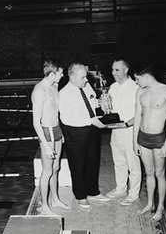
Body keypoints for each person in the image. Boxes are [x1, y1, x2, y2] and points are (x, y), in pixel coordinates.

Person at [58, 63, 110, 209]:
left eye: (85, 77)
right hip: (75, 132)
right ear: (72, 77)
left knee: (93, 161)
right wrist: (92, 121)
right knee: (78, 164)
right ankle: (80, 195)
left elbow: (92, 105)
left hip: (92, 129)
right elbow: (67, 119)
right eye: (82, 77)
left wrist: (101, 105)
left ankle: (93, 191)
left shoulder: (86, 86)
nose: (86, 80)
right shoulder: (64, 94)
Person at [133, 62, 166, 222]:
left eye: (137, 78)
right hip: (143, 138)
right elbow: (137, 117)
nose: (136, 82)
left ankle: (160, 207)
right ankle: (150, 203)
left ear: (146, 77)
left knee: (160, 173)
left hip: (159, 139)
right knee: (149, 172)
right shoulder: (140, 91)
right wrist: (134, 141)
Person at [31, 58, 71, 215]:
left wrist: (60, 135)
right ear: (52, 74)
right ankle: (44, 206)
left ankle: (55, 199)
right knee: (47, 171)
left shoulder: (54, 86)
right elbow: (36, 121)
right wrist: (46, 145)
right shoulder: (39, 91)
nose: (62, 75)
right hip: (46, 132)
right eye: (60, 73)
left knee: (56, 167)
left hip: (56, 129)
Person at [106, 59, 142, 206]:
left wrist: (126, 124)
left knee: (133, 164)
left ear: (126, 70)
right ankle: (120, 188)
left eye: (117, 70)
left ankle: (133, 194)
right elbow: (109, 111)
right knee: (119, 162)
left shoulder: (136, 88)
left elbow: (140, 114)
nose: (113, 73)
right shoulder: (112, 88)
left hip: (130, 131)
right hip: (115, 130)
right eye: (113, 70)